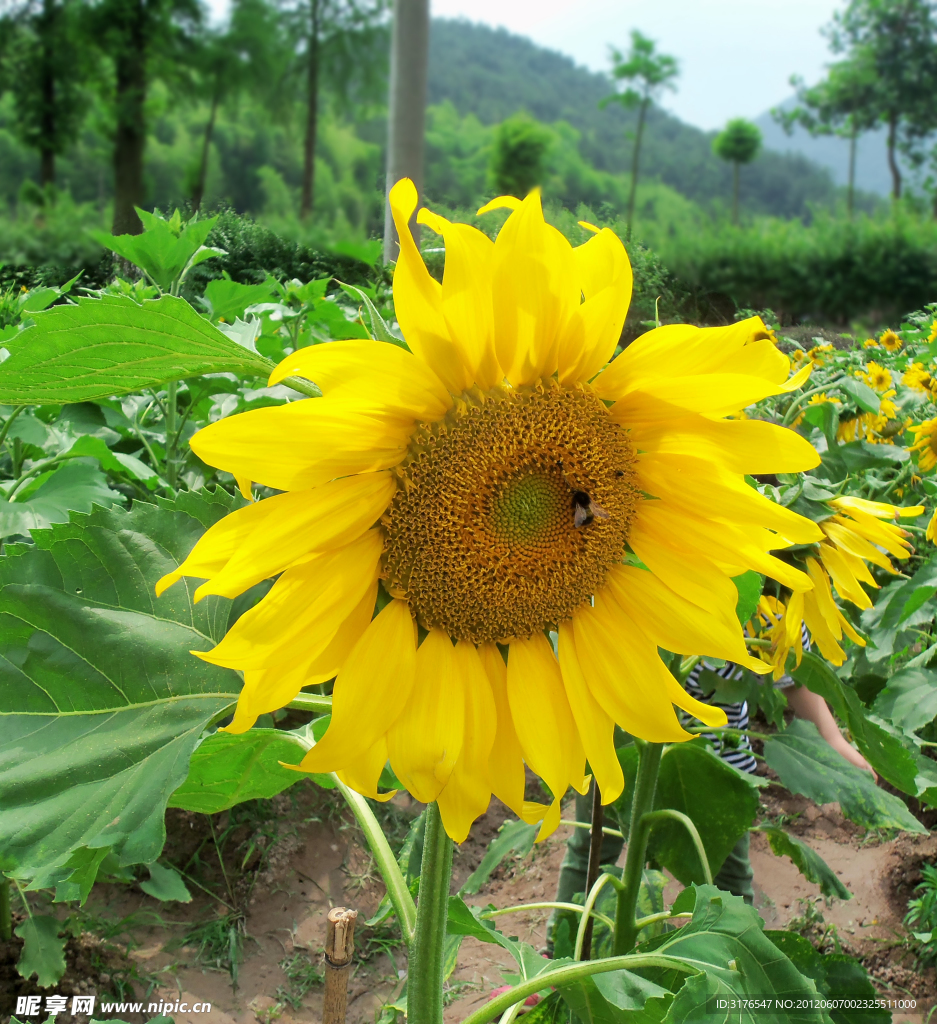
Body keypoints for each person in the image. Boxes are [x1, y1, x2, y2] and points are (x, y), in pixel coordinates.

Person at [546, 628, 875, 951]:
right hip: (617, 745)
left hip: (718, 763)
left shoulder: (767, 601)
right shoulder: (631, 580)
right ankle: (559, 961)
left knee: (726, 880)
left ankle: (738, 966)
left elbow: (789, 675)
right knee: (591, 850)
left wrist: (833, 740)